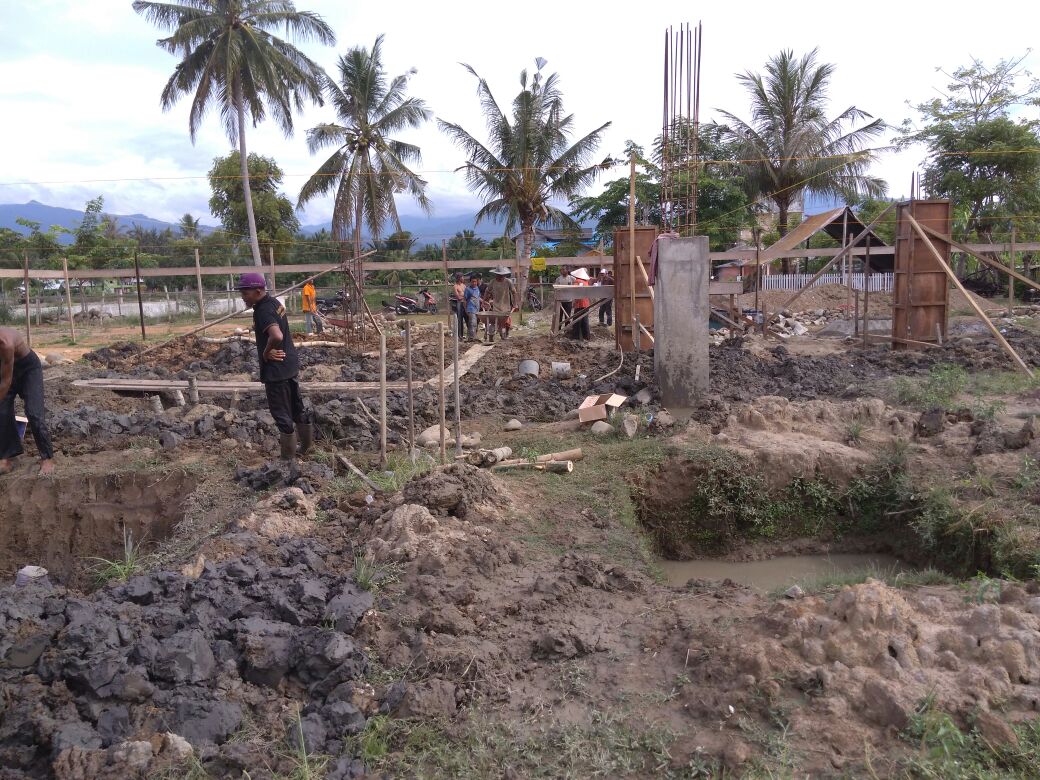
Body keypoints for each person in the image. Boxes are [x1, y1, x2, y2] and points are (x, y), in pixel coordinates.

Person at [237, 273, 312, 461]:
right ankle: (306, 448)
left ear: (258, 291)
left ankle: (287, 460)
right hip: (289, 364)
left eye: (245, 293)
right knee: (297, 408)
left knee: (281, 414)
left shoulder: (262, 311)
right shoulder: (275, 304)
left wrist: (266, 351)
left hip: (276, 371)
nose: (243, 297)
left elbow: (277, 335)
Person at [0, 327, 54, 475]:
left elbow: (6, 381)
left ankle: (47, 458)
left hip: (28, 369)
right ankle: (7, 457)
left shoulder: (5, 343)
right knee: (2, 412)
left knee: (34, 412)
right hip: (4, 368)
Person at [487, 267, 517, 342]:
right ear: (496, 274)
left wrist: (515, 303)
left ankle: (505, 333)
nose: (500, 277)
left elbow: (514, 292)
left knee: (507, 322)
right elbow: (487, 291)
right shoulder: (493, 282)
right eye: (499, 275)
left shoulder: (508, 282)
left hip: (506, 306)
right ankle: (492, 335)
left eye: (502, 275)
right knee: (494, 322)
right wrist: (484, 301)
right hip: (496, 307)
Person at [568, 267, 592, 341]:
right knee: (585, 320)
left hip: (579, 303)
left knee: (576, 320)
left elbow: (576, 292)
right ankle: (586, 336)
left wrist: (574, 302)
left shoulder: (577, 281)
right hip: (586, 303)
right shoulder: (586, 282)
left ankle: (576, 336)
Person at [463, 273, 482, 341]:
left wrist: (484, 302)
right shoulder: (467, 289)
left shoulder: (477, 288)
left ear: (477, 282)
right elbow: (464, 300)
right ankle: (471, 338)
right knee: (472, 323)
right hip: (470, 309)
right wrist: (465, 309)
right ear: (470, 282)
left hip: (477, 309)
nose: (474, 283)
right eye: (472, 281)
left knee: (475, 323)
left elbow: (478, 297)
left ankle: (471, 337)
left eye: (475, 281)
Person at [452, 273, 467, 340]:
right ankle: (460, 335)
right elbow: (457, 296)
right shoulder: (455, 286)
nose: (463, 278)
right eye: (462, 277)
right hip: (460, 303)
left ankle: (468, 334)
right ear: (459, 278)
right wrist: (463, 297)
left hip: (465, 303)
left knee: (467, 318)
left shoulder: (464, 286)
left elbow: (467, 294)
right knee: (460, 319)